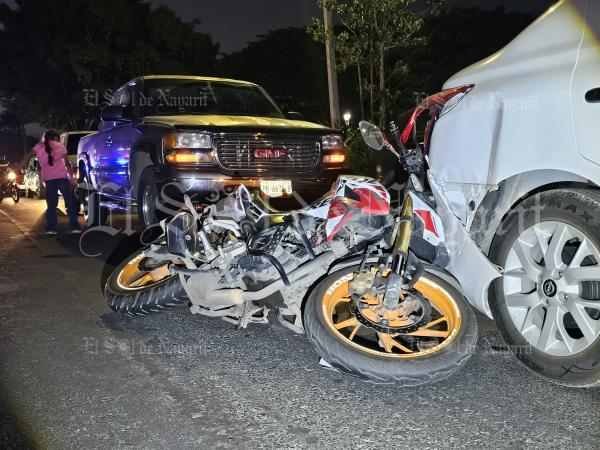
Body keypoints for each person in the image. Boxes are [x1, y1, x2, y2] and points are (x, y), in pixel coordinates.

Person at [19, 130, 80, 235]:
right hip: (62, 178)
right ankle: (74, 227)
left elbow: (28, 155)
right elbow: (67, 164)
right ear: (55, 137)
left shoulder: (39, 147)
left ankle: (51, 229)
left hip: (49, 180)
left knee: (51, 206)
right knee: (70, 203)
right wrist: (72, 178)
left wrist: (20, 167)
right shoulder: (60, 146)